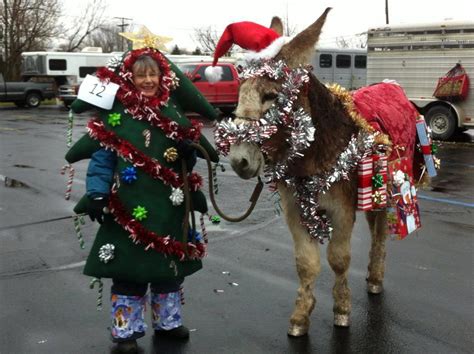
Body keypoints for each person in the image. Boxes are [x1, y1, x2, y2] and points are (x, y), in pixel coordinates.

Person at [65, 47, 219, 353]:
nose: (148, 80)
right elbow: (102, 159)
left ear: (162, 76)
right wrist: (96, 192)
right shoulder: (117, 116)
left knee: (167, 270)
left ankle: (168, 322)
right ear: (130, 78)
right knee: (128, 274)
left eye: (153, 74)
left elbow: (187, 157)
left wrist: (189, 153)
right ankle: (126, 332)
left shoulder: (173, 114)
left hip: (168, 209)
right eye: (141, 75)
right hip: (125, 210)